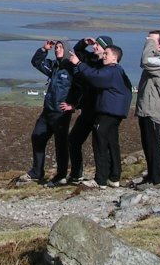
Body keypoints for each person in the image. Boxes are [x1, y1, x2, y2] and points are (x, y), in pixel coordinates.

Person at [68, 40, 133, 188]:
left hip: (107, 111)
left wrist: (78, 64)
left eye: (106, 54)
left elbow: (95, 77)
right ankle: (114, 177)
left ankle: (100, 179)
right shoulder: (118, 71)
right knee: (111, 142)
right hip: (115, 111)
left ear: (114, 58)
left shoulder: (111, 70)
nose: (103, 56)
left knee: (100, 143)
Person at [24, 40, 76, 183]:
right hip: (47, 111)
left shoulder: (72, 68)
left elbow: (81, 88)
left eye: (60, 47)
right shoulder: (54, 66)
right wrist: (44, 49)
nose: (57, 49)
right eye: (56, 47)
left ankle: (61, 175)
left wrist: (74, 105)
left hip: (61, 114)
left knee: (61, 144)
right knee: (37, 136)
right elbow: (36, 62)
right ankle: (37, 171)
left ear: (66, 50)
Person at [135, 30, 160, 185]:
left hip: (153, 108)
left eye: (151, 40)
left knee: (153, 143)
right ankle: (151, 175)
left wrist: (149, 44)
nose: (147, 42)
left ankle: (156, 178)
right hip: (146, 107)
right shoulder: (157, 58)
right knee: (147, 143)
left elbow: (145, 61)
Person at [60, 37, 103, 183]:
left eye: (98, 45)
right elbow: (78, 51)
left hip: (98, 110)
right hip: (87, 109)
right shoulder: (91, 59)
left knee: (101, 144)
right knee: (73, 140)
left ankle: (105, 176)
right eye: (95, 44)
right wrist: (84, 42)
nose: (95, 47)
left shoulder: (106, 65)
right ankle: (76, 174)